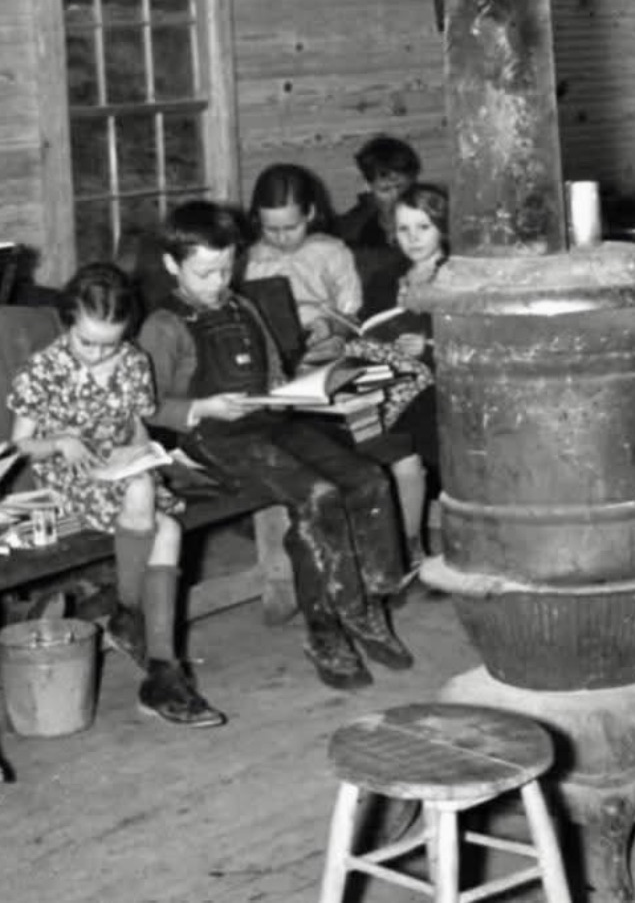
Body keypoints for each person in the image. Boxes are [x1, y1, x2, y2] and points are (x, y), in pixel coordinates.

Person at [138, 201, 413, 690]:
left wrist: (296, 389)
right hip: (211, 437)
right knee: (317, 496)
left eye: (227, 269)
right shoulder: (164, 325)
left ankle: (367, 602)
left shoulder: (243, 306)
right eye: (204, 273)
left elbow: (273, 374)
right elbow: (147, 404)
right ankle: (326, 629)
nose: (219, 282)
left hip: (267, 421)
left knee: (367, 478)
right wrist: (203, 408)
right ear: (171, 265)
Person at [7, 263, 224, 727]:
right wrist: (61, 441)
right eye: (87, 342)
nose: (98, 355)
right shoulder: (44, 368)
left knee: (165, 526)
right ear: (67, 324)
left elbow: (137, 422)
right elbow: (20, 443)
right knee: (148, 499)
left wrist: (140, 446)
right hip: (68, 473)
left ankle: (160, 665)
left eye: (111, 343)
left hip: (120, 469)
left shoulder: (131, 360)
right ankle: (133, 622)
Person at [371, 183, 449, 568]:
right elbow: (367, 327)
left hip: (442, 385)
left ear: (443, 228)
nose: (413, 238)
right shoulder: (386, 278)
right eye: (404, 229)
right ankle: (404, 545)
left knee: (406, 435)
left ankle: (411, 542)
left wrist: (429, 345)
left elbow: (474, 335)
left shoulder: (455, 275)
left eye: (424, 227)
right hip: (391, 381)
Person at [245, 163, 361, 349]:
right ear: (258, 219)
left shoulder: (332, 253)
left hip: (328, 344)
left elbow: (352, 315)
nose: (282, 238)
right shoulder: (251, 260)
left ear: (310, 213)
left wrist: (331, 326)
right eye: (271, 229)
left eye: (291, 228)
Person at [336, 135, 422, 290]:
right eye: (385, 190)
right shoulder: (350, 231)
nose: (396, 196)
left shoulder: (431, 218)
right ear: (367, 186)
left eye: (402, 187)